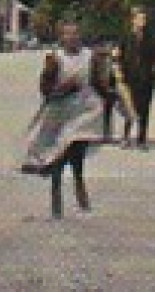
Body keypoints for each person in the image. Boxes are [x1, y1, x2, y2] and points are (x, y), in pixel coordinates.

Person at [20, 20, 107, 218]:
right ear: (61, 38)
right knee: (59, 159)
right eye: (67, 34)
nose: (72, 38)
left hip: (84, 114)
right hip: (60, 115)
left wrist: (110, 99)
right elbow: (45, 90)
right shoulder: (55, 59)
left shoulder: (90, 57)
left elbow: (99, 83)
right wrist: (65, 88)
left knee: (78, 160)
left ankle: (82, 203)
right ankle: (57, 206)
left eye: (75, 34)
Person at [118, 5, 155, 147]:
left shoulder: (150, 38)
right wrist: (119, 73)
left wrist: (153, 72)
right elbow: (119, 55)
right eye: (140, 18)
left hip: (146, 78)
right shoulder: (126, 37)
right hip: (129, 77)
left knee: (144, 108)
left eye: (144, 18)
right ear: (133, 20)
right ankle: (125, 136)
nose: (143, 21)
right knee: (129, 106)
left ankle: (141, 138)